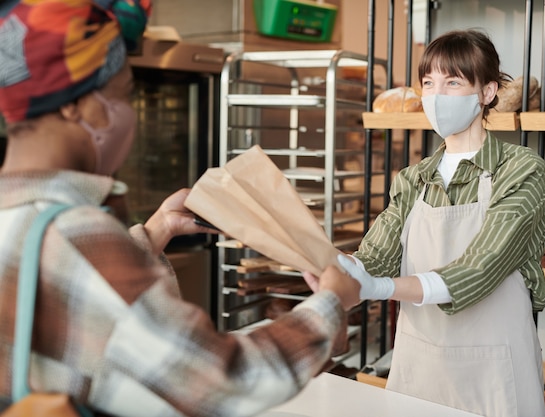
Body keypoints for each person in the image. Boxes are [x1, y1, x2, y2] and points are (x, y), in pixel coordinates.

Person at [0, 1, 360, 416]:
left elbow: (62, 291)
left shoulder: (28, 218)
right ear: (73, 105)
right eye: (125, 94)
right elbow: (226, 382)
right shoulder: (78, 235)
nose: (129, 113)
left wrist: (152, 235)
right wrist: (331, 303)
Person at [335, 29, 545, 416]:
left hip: (494, 370)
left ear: (486, 93)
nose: (436, 96)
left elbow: (482, 267)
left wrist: (382, 288)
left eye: (452, 82)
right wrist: (341, 269)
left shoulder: (520, 169)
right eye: (428, 83)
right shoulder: (413, 178)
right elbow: (375, 258)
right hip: (420, 367)